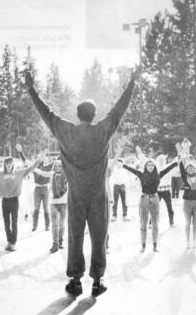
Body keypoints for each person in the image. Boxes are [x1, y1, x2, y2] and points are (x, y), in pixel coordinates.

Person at [25, 67, 139, 298]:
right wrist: (132, 83)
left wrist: (31, 89)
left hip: (75, 194)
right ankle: (97, 281)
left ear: (77, 115)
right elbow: (119, 110)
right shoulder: (102, 131)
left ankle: (75, 281)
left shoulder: (65, 131)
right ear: (94, 115)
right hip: (98, 193)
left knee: (75, 236)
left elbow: (45, 112)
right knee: (99, 236)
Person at [0, 150, 38, 250]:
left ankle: (13, 243)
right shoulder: (0, 174)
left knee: (14, 222)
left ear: (12, 164)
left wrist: (38, 161)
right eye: (7, 163)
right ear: (5, 165)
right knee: (6, 223)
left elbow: (30, 169)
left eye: (10, 163)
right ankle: (9, 241)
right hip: (5, 201)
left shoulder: (18, 173)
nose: (9, 165)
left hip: (14, 201)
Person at [123, 155, 178, 252]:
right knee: (143, 224)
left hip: (155, 198)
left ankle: (155, 246)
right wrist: (123, 165)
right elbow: (132, 170)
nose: (150, 167)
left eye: (152, 165)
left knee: (155, 224)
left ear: (154, 166)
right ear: (145, 166)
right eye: (148, 165)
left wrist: (176, 162)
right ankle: (143, 246)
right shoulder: (141, 174)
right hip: (144, 198)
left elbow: (169, 168)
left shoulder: (158, 174)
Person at [31, 152, 54, 232]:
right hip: (37, 188)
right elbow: (26, 162)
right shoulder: (35, 168)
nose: (43, 159)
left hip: (45, 188)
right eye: (41, 158)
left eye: (44, 158)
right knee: (36, 208)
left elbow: (56, 161)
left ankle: (47, 225)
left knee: (46, 208)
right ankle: (34, 225)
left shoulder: (48, 167)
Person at [49, 160, 68, 253]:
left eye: (60, 166)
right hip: (53, 203)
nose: (58, 168)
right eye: (56, 166)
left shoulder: (66, 176)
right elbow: (39, 171)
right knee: (55, 224)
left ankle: (60, 240)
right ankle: (55, 243)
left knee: (61, 223)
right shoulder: (51, 175)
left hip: (64, 202)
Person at [110, 155, 130, 221]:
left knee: (124, 201)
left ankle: (125, 215)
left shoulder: (124, 169)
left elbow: (127, 178)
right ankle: (114, 215)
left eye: (120, 163)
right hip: (116, 186)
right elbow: (111, 162)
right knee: (115, 201)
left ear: (122, 163)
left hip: (123, 186)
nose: (119, 164)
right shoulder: (114, 169)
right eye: (118, 163)